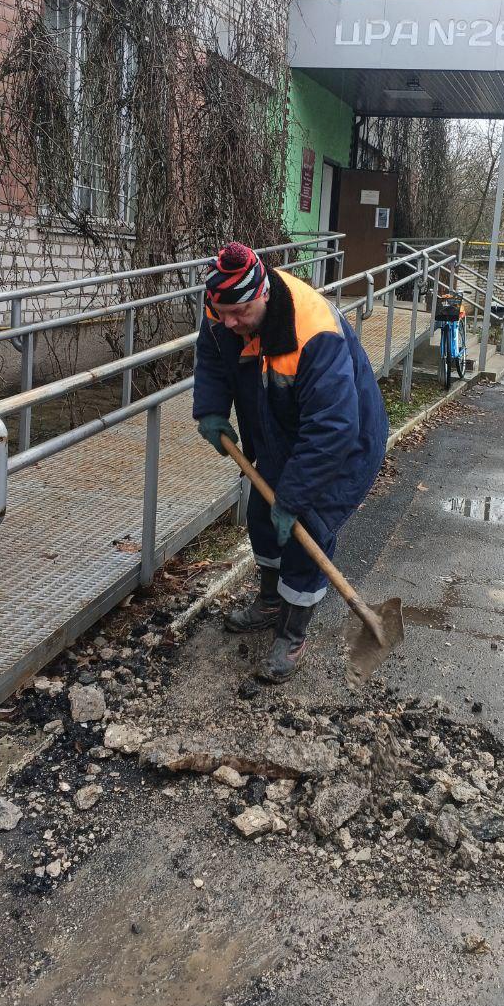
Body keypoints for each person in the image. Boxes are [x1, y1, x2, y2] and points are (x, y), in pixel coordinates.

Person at [193, 242, 388, 682]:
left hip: (346, 441)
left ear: (262, 293)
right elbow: (212, 355)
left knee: (307, 529)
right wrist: (210, 407)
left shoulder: (313, 331)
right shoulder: (224, 306)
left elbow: (333, 427)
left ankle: (292, 632)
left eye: (238, 313)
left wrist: (295, 496)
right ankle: (269, 601)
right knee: (263, 513)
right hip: (282, 429)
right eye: (220, 311)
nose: (228, 322)